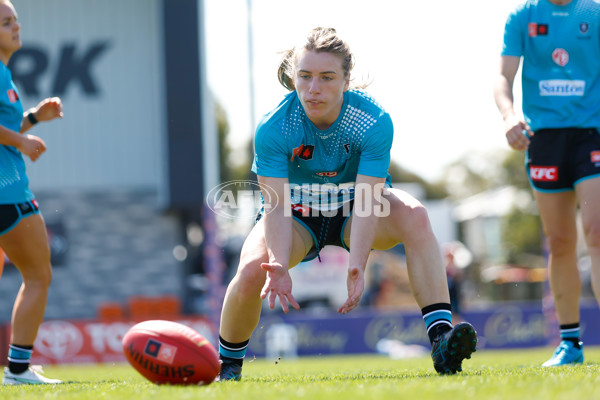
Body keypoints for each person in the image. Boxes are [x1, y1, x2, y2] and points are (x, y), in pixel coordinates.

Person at [216, 27, 477, 381]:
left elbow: (369, 202)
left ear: (346, 79)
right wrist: (277, 263)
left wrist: (357, 266)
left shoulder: (373, 121)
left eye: (327, 77)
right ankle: (228, 369)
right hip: (298, 218)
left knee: (416, 216)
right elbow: (276, 207)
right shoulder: (274, 127)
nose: (313, 88)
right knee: (251, 271)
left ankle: (441, 339)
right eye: (305, 76)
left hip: (355, 213)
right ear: (293, 76)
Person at [494, 0, 600, 367]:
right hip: (544, 138)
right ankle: (570, 343)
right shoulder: (523, 16)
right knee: (560, 241)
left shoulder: (593, 12)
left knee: (597, 231)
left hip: (592, 133)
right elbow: (503, 78)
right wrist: (509, 116)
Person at [0, 0, 64, 385]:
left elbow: (5, 129)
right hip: (8, 192)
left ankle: (18, 368)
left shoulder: (5, 74)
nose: (16, 27)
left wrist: (36, 117)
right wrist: (22, 143)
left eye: (16, 20)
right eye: (6, 22)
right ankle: (19, 369)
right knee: (38, 275)